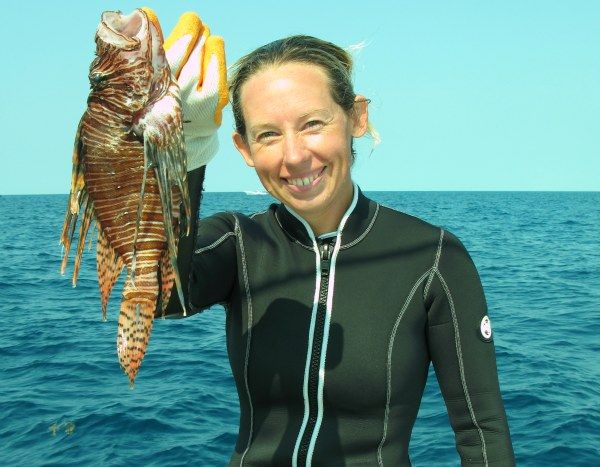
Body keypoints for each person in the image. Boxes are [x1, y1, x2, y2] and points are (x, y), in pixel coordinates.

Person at [146, 9, 516, 466]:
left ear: (356, 117)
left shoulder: (433, 256)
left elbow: (482, 431)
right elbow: (163, 297)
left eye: (312, 124)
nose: (295, 156)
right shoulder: (238, 242)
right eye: (267, 135)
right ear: (242, 148)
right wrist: (185, 152)